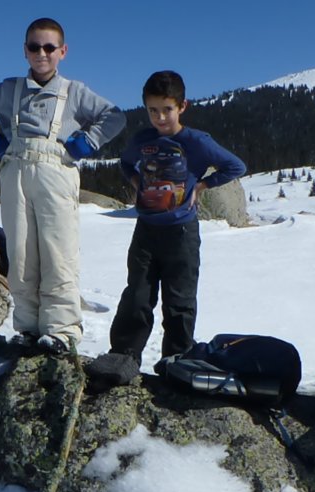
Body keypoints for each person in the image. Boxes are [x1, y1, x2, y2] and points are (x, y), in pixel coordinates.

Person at [0, 17, 126, 355]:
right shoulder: (9, 89)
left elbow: (115, 117)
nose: (42, 53)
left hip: (55, 172)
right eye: (35, 47)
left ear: (63, 51)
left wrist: (86, 143)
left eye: (50, 47)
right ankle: (28, 327)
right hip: (15, 171)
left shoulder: (74, 92)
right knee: (20, 253)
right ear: (25, 50)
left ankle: (61, 330)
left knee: (58, 251)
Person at [108, 70, 246, 368]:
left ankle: (177, 361)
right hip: (146, 230)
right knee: (137, 296)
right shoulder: (142, 139)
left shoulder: (196, 141)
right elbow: (126, 163)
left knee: (179, 301)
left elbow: (235, 166)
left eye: (167, 109)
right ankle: (123, 357)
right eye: (152, 110)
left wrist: (201, 186)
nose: (160, 117)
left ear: (182, 106)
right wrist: (136, 181)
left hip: (181, 232)